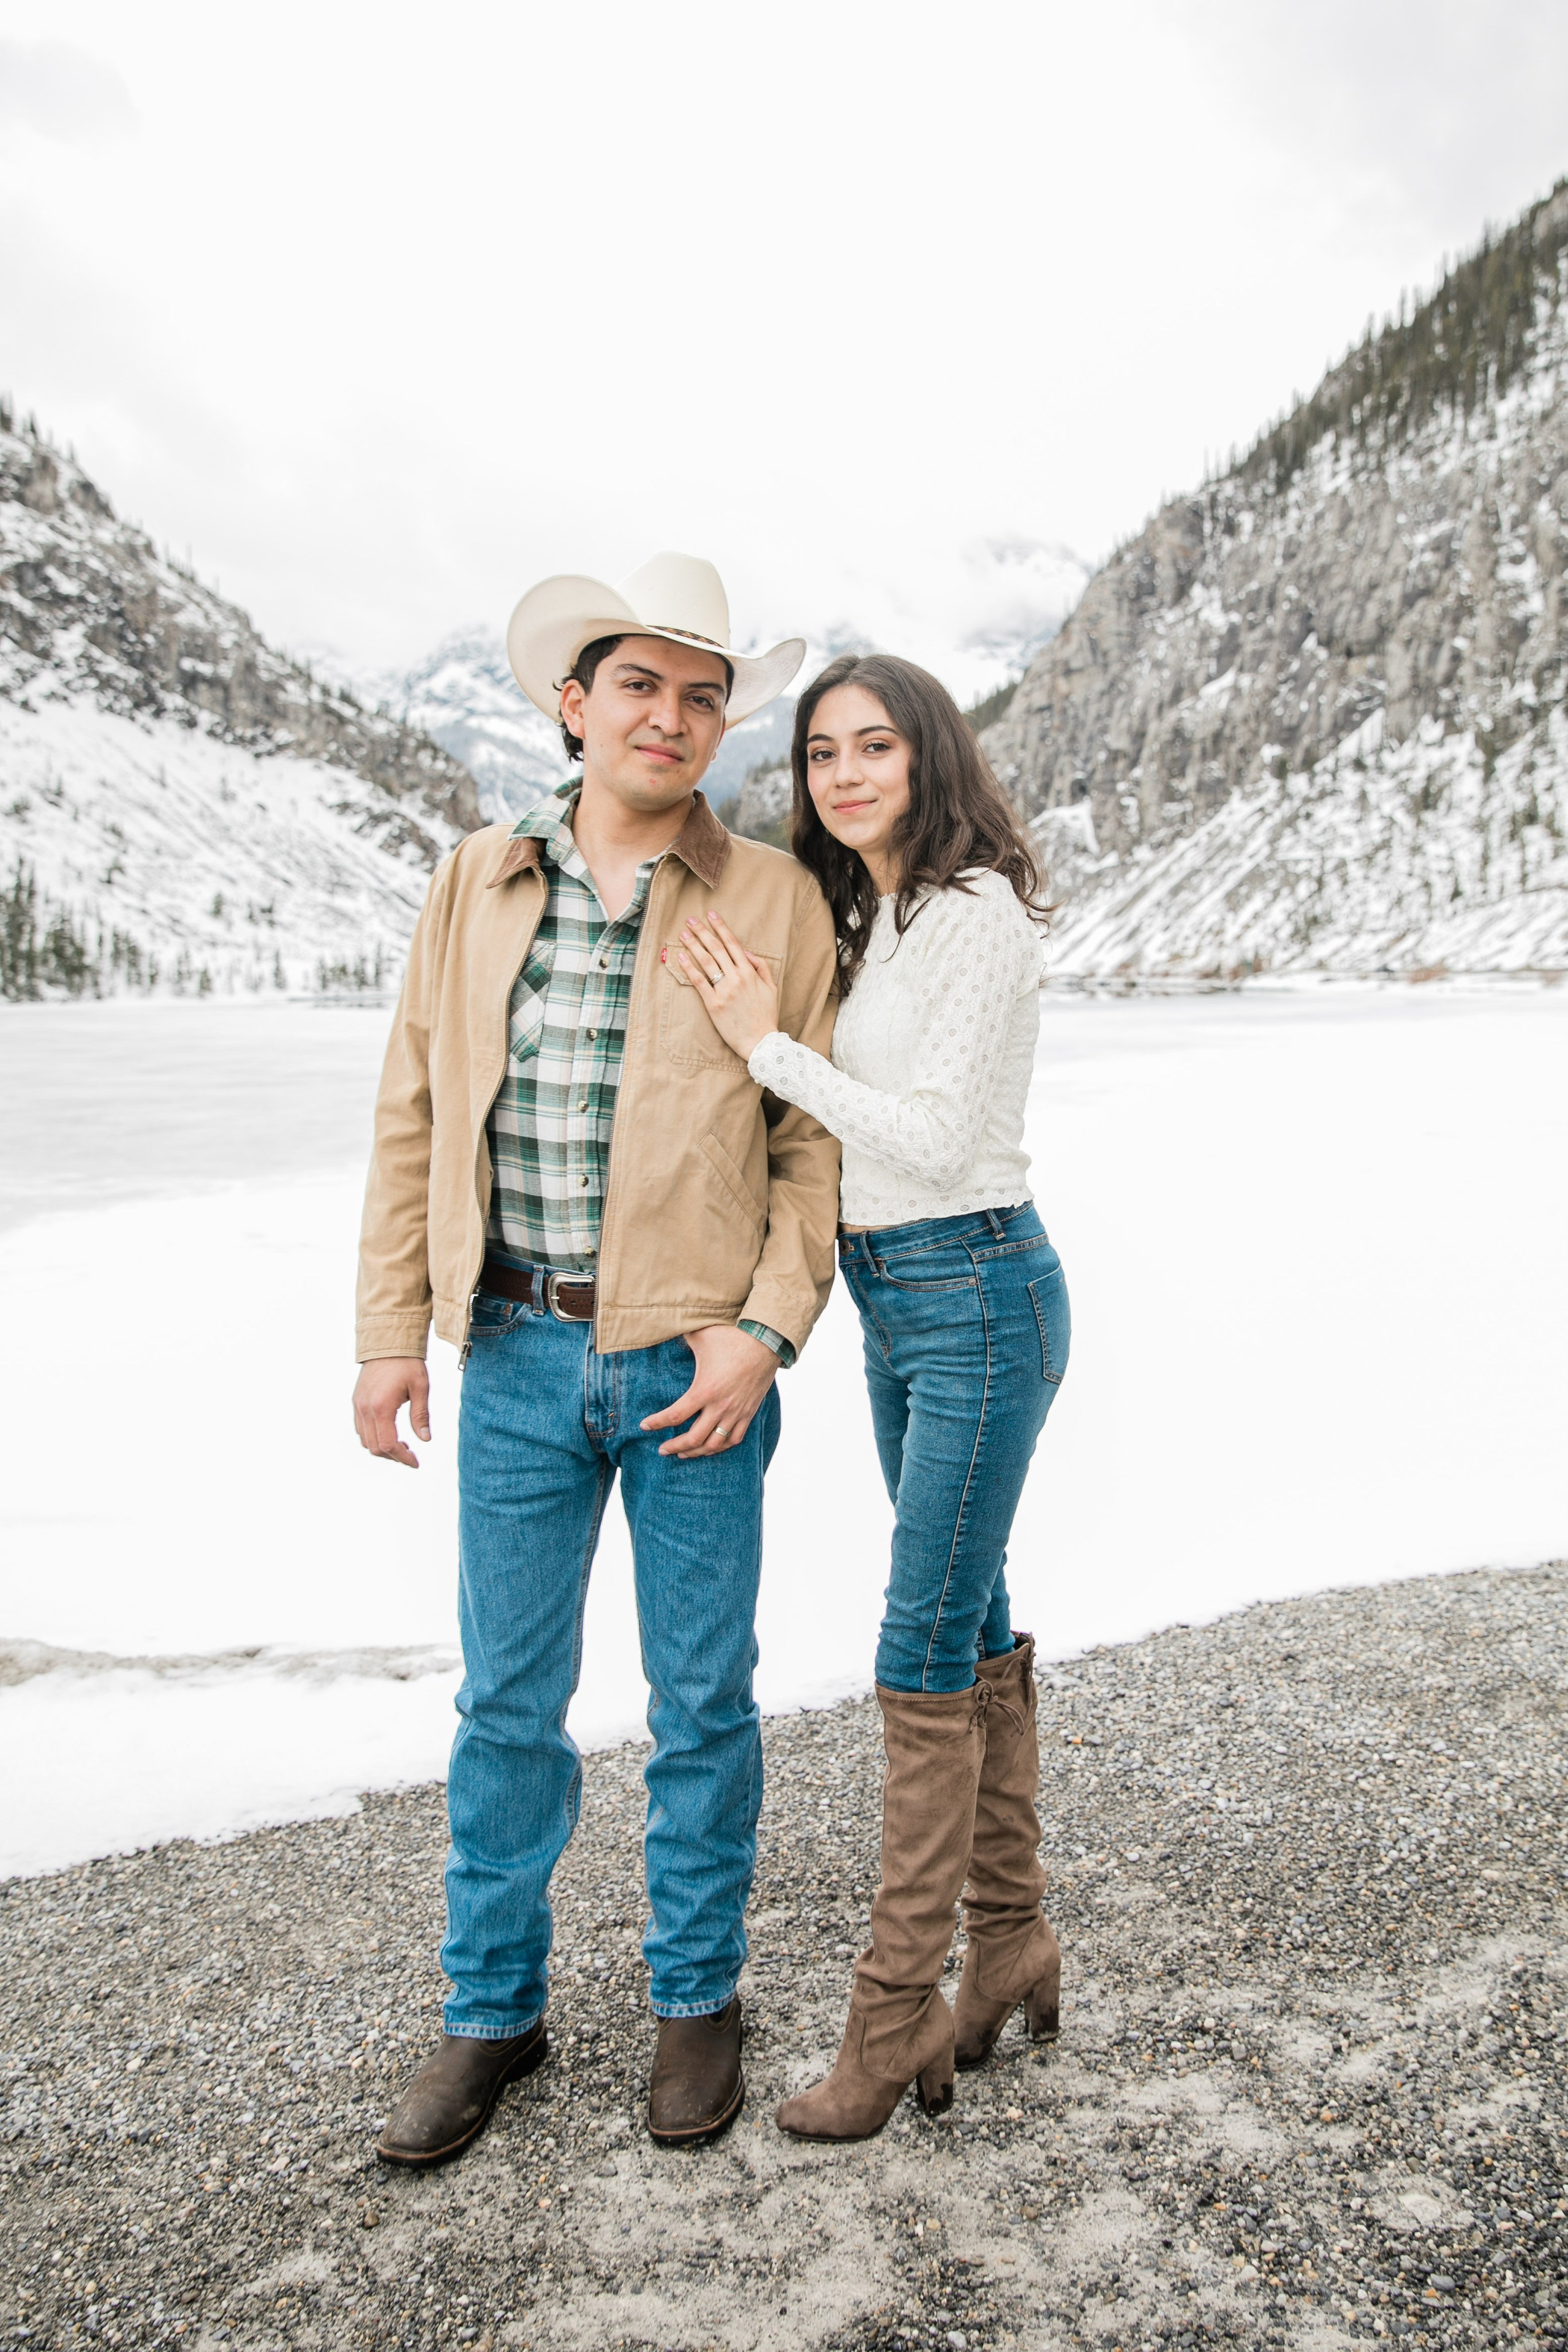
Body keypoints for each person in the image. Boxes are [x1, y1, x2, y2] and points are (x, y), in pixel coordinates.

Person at [352, 552, 842, 2164]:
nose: (673, 717)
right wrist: (386, 1337)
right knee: (507, 1705)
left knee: (702, 1701)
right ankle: (492, 2015)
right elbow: (414, 1108)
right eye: (641, 685)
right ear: (574, 704)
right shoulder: (477, 882)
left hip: (691, 1371)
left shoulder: (772, 897)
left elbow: (809, 1152)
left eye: (703, 696)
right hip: (506, 1353)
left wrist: (766, 1332)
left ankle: (698, 1999)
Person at [676, 650, 1070, 2142]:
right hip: (903, 1303)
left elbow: (930, 1130)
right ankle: (1013, 1932)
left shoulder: (966, 916)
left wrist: (762, 1045)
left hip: (976, 1286)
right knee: (964, 1619)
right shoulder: (875, 912)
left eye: (873, 749)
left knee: (915, 1641)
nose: (842, 776)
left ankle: (893, 2016)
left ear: (928, 758)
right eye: (820, 754)